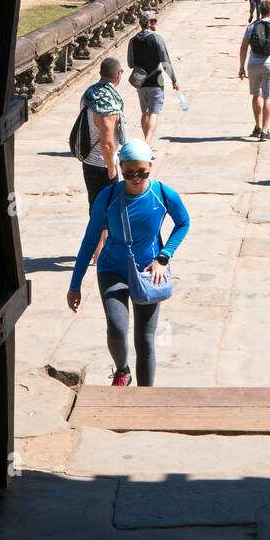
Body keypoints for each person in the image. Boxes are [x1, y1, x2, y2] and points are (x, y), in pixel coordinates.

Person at [67, 139, 190, 387]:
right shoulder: (108, 196)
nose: (136, 178)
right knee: (117, 327)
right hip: (112, 268)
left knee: (145, 338)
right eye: (129, 173)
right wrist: (75, 284)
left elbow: (183, 223)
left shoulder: (163, 194)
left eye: (142, 172)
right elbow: (90, 240)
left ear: (150, 167)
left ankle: (146, 396)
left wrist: (163, 258)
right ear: (120, 167)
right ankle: (122, 371)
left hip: (149, 271)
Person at [79, 57, 127, 211]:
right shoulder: (108, 105)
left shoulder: (89, 94)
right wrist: (111, 167)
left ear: (100, 73)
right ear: (118, 75)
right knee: (108, 214)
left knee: (96, 210)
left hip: (88, 161)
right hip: (103, 166)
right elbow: (106, 143)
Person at [238, 0, 270, 140]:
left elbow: (243, 48)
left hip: (253, 64)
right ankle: (265, 130)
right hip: (269, 64)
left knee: (256, 95)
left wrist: (241, 67)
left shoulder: (251, 26)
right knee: (268, 96)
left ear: (260, 11)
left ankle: (258, 127)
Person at [127, 10, 179, 144]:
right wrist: (174, 80)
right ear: (149, 23)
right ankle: (148, 142)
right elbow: (165, 62)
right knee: (154, 113)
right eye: (154, 21)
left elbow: (130, 63)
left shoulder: (133, 41)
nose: (156, 23)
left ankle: (146, 142)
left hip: (140, 82)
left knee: (145, 112)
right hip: (155, 81)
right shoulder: (157, 38)